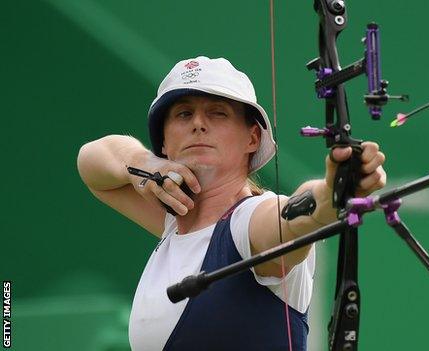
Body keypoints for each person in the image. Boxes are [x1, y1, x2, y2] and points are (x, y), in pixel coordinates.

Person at [76, 56, 386, 350]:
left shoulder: (248, 221)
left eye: (218, 113)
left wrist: (334, 190)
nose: (198, 123)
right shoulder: (175, 221)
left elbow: (296, 217)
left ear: (252, 138)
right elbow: (91, 163)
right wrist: (143, 163)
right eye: (184, 114)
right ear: (164, 143)